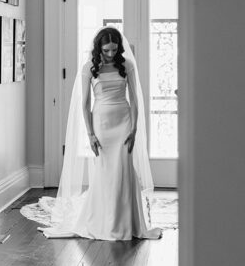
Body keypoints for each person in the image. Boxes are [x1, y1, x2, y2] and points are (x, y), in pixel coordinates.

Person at [21, 26, 161, 241]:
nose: (111, 54)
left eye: (115, 50)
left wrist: (134, 129)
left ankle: (128, 224)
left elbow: (135, 100)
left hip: (123, 121)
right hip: (101, 124)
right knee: (106, 173)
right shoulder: (89, 68)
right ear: (99, 49)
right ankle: (104, 222)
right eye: (107, 50)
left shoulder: (127, 65)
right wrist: (90, 134)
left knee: (124, 170)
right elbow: (85, 104)